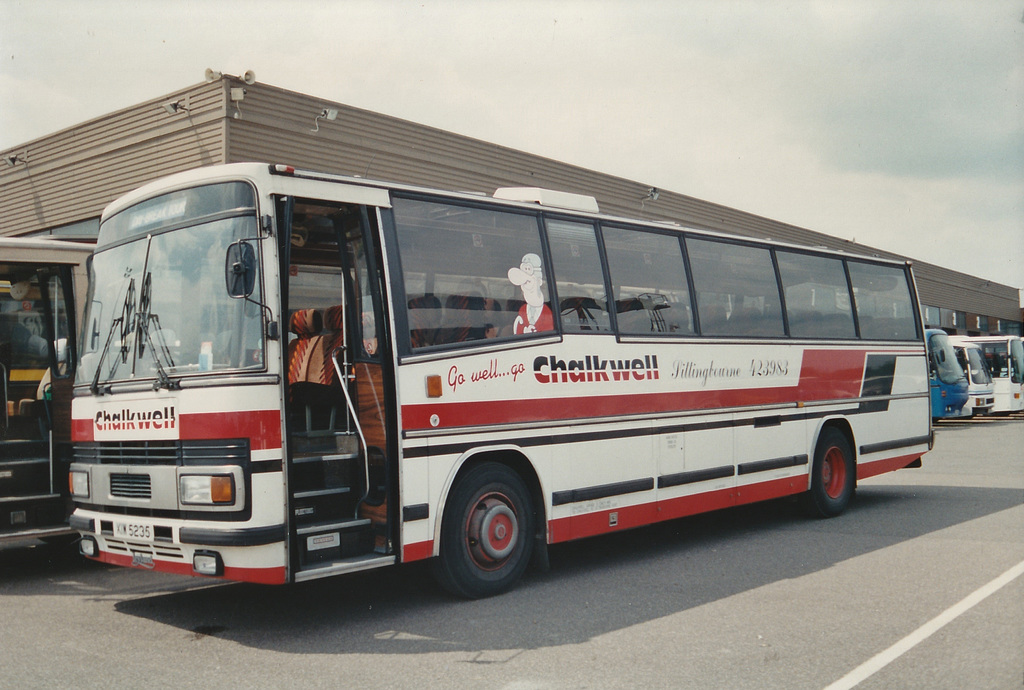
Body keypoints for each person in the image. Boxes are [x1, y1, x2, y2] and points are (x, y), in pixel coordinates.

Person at [508, 253, 553, 335]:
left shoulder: (547, 313)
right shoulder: (522, 310)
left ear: (539, 281)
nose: (526, 286)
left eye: (528, 281)